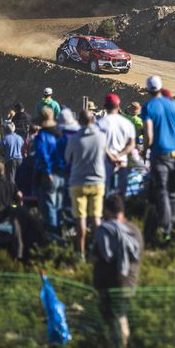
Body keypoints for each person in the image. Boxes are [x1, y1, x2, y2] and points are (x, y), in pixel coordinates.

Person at [142, 75, 175, 242]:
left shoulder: (148, 107)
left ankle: (166, 228)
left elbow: (148, 133)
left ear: (148, 89)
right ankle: (172, 225)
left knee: (162, 191)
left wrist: (145, 151)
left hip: (160, 154)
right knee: (172, 191)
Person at [92, 194, 142, 348]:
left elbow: (95, 256)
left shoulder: (105, 230)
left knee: (113, 318)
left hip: (109, 283)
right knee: (121, 315)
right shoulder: (135, 230)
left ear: (107, 211)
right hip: (129, 282)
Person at [65, 109, 106, 258]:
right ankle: (97, 251)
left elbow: (67, 158)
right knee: (96, 217)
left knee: (80, 218)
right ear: (93, 120)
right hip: (97, 180)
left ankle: (80, 253)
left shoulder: (74, 139)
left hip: (78, 181)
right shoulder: (101, 137)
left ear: (80, 122)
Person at [33, 107, 67, 236]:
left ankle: (52, 238)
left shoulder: (41, 137)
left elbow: (42, 155)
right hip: (61, 174)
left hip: (49, 175)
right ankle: (59, 234)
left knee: (49, 207)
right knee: (58, 206)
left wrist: (47, 172)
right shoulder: (59, 135)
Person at [96, 94, 135, 196]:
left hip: (105, 163)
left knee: (105, 195)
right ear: (118, 106)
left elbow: (98, 143)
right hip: (121, 163)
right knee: (121, 197)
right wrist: (119, 155)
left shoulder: (99, 124)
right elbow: (131, 145)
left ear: (105, 106)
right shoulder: (127, 123)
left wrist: (110, 155)